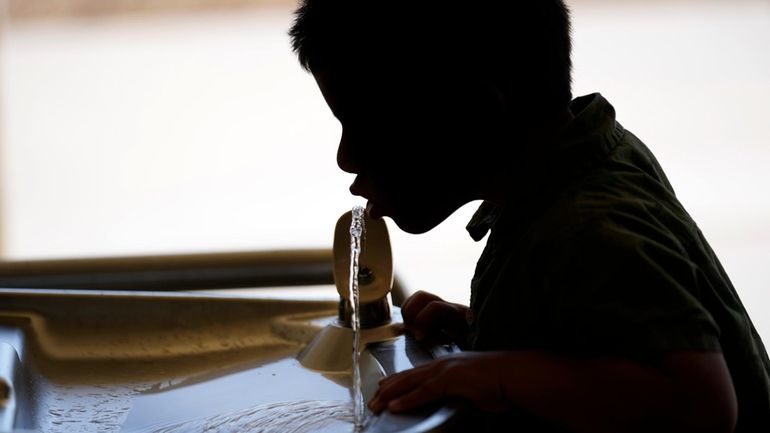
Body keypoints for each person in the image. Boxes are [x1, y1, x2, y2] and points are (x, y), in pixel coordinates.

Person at [289, 1, 770, 432]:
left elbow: (701, 403)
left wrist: (499, 375)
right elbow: (607, 337)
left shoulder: (591, 225)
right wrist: (490, 331)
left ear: (474, 116)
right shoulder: (566, 170)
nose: (345, 158)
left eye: (364, 127)